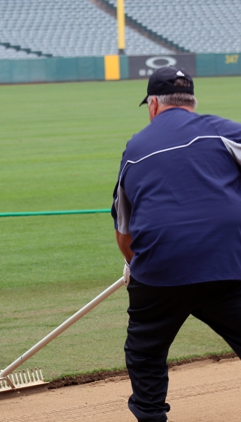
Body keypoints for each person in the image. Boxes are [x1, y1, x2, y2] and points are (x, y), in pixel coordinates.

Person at [111, 66, 241, 422]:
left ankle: (151, 416)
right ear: (192, 103)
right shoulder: (225, 131)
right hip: (225, 263)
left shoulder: (135, 147)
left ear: (153, 105)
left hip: (158, 269)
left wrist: (134, 265)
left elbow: (124, 230)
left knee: (145, 351)